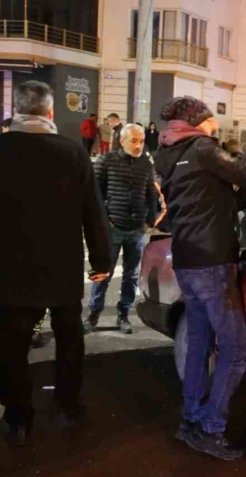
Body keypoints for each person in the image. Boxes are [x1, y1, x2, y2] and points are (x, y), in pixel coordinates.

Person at [0, 81, 112, 445]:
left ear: (15, 109)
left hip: (10, 266)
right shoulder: (72, 153)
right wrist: (101, 258)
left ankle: (17, 416)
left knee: (11, 345)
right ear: (49, 112)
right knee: (68, 339)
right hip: (61, 266)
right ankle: (67, 405)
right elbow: (93, 211)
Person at [154, 96, 246, 461]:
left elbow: (204, 201)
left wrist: (233, 202)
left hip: (186, 260)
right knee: (235, 351)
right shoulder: (203, 149)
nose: (213, 124)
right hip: (213, 263)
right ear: (196, 122)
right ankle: (210, 427)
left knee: (200, 345)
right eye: (209, 119)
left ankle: (189, 420)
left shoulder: (167, 155)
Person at [84, 123, 160, 335]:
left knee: (131, 276)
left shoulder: (146, 164)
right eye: (134, 141)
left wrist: (149, 221)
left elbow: (151, 194)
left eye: (142, 141)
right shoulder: (106, 161)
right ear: (123, 140)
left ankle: (123, 314)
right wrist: (103, 221)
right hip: (113, 228)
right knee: (102, 273)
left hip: (137, 230)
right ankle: (93, 314)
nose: (138, 145)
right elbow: (94, 194)